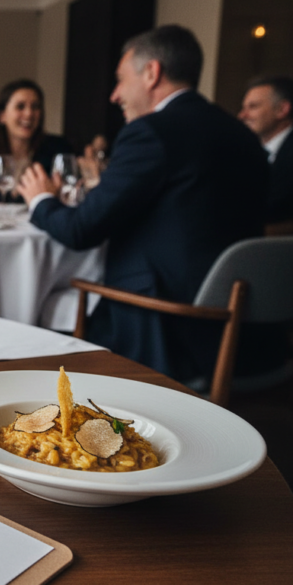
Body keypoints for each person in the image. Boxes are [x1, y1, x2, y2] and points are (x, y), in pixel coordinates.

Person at [17, 25, 269, 381]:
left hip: (167, 333)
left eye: (120, 80)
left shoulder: (152, 132)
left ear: (152, 73)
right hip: (248, 337)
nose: (115, 95)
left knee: (36, 312)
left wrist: (40, 198)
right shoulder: (243, 136)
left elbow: (80, 230)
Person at [0, 79, 72, 201]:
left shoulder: (58, 148)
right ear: (2, 116)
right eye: (20, 106)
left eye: (35, 107)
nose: (29, 114)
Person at [239, 75, 293, 224]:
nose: (242, 115)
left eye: (253, 107)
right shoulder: (247, 152)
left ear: (282, 109)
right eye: (243, 108)